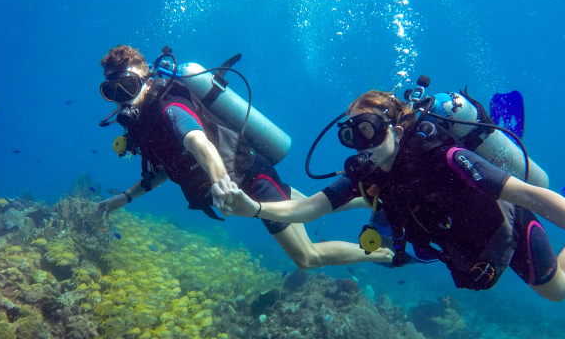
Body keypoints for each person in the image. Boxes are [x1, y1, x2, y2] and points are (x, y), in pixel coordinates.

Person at [222, 89, 565, 301]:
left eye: (367, 129)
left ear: (396, 126)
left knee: (559, 291)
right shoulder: (370, 175)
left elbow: (526, 193)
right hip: (461, 246)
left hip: (506, 228)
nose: (360, 144)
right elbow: (308, 207)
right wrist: (256, 207)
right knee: (375, 203)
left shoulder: (447, 157)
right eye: (351, 135)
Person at [94, 45, 392, 269]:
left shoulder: (168, 104)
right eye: (111, 90)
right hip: (240, 177)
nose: (121, 95)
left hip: (248, 179)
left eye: (127, 85)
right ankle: (376, 198)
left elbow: (198, 142)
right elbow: (164, 169)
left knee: (307, 257)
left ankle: (383, 254)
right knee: (309, 206)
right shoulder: (141, 123)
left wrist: (222, 183)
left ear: (146, 80)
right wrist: (124, 197)